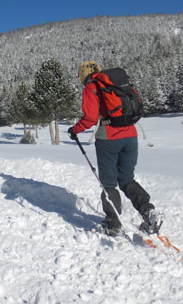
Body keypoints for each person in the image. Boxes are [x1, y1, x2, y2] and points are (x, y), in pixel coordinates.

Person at [68, 61, 162, 235]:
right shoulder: (117, 84)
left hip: (108, 138)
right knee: (127, 180)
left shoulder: (92, 88)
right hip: (131, 136)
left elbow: (90, 118)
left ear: (83, 74)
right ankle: (149, 212)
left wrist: (74, 130)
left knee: (109, 183)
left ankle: (113, 224)